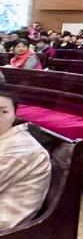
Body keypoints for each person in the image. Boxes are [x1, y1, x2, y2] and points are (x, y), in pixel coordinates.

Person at [0, 91, 53, 230]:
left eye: (3, 112)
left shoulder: (18, 152)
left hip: (8, 227)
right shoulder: (6, 135)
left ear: (14, 113)